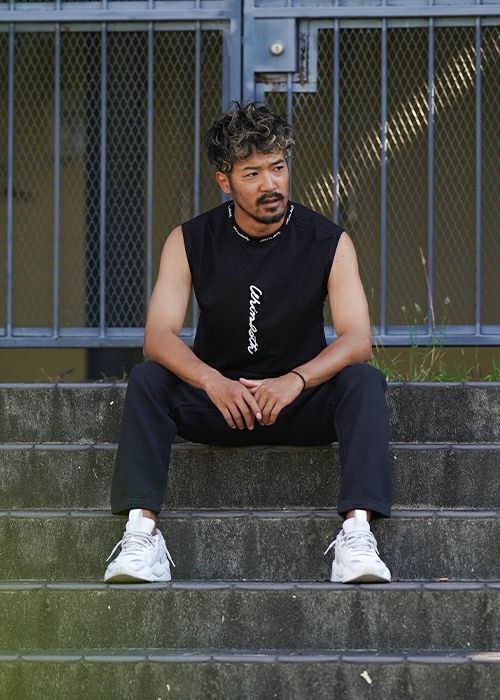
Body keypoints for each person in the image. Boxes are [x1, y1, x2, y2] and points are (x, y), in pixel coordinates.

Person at [104, 102, 392, 585]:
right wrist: (212, 382)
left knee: (363, 381)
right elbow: (158, 336)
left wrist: (295, 380)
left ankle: (357, 537)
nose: (270, 184)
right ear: (225, 181)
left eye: (277, 168)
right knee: (149, 379)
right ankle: (141, 536)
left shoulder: (328, 241)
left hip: (298, 403)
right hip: (220, 404)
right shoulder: (190, 240)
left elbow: (357, 339)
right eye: (252, 173)